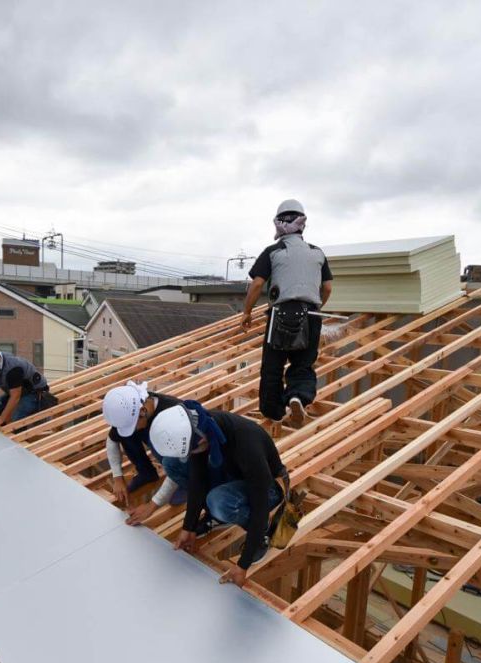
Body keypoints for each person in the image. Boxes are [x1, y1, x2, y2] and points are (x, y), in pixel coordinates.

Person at [149, 404, 287, 587]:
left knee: (218, 501)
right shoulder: (202, 429)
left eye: (193, 450)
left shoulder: (247, 446)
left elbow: (260, 504)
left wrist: (242, 565)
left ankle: (262, 534)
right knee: (173, 464)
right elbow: (197, 481)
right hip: (234, 474)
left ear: (200, 440)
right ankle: (218, 516)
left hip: (269, 488)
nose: (194, 454)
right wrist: (188, 528)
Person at [240, 198, 333, 426]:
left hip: (280, 314)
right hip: (311, 314)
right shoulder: (317, 253)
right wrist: (317, 306)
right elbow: (328, 287)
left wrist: (247, 312)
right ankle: (297, 396)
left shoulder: (273, 252)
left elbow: (257, 284)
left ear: (278, 224)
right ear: (303, 225)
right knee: (303, 365)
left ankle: (274, 412)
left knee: (273, 365)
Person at [101, 380, 187, 524]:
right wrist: (117, 477)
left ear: (142, 411)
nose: (133, 430)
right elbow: (112, 440)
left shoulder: (172, 417)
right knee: (125, 434)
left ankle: (185, 483)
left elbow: (181, 462)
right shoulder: (131, 410)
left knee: (170, 460)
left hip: (188, 459)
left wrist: (152, 505)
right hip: (161, 441)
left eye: (132, 425)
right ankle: (146, 472)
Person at [0, 342, 58, 427]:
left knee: (15, 418)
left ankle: (19, 438)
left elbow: (15, 396)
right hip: (17, 392)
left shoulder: (12, 368)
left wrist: (2, 418)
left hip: (34, 393)